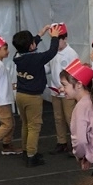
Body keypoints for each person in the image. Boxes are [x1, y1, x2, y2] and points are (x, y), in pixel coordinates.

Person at [12, 25, 58, 167]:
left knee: (25, 124)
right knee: (34, 126)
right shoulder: (36, 59)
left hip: (20, 94)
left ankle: (26, 150)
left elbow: (28, 47)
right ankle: (31, 156)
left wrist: (39, 34)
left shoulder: (18, 56)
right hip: (33, 97)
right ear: (32, 46)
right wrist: (54, 37)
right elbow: (52, 52)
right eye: (33, 42)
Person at [44, 24, 79, 155]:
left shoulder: (71, 53)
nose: (55, 42)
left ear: (65, 39)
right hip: (55, 90)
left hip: (68, 92)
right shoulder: (52, 52)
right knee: (58, 118)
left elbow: (75, 73)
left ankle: (76, 143)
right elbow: (48, 67)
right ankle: (61, 142)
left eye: (58, 39)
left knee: (70, 118)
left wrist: (67, 87)